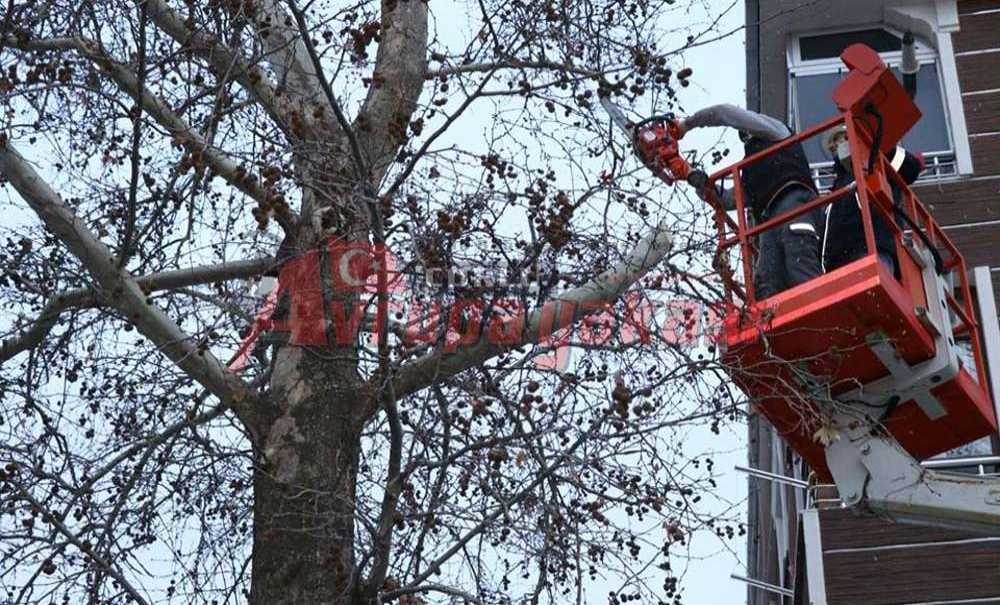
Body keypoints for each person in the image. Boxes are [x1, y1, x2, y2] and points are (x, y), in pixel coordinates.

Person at [675, 104, 823, 300]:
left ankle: (821, 307)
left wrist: (687, 124)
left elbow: (723, 113)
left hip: (794, 201)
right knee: (766, 283)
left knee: (799, 262)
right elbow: (730, 200)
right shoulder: (752, 168)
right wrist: (695, 179)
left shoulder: (777, 132)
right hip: (770, 219)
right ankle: (775, 319)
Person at [820, 125, 924, 276]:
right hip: (840, 259)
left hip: (873, 246)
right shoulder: (838, 187)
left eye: (839, 139)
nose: (835, 145)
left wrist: (873, 145)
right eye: (832, 145)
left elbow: (910, 168)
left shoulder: (877, 162)